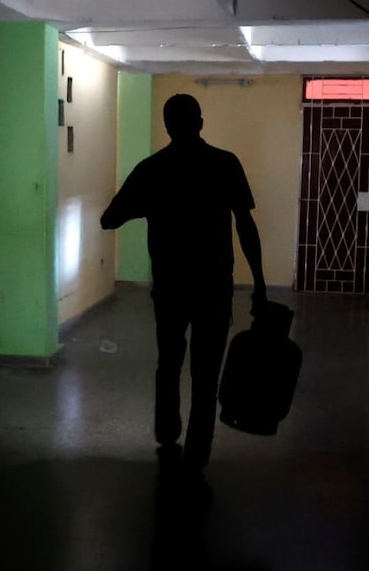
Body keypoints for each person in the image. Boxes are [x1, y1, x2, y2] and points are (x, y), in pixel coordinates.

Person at [101, 93, 266, 488]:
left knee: (169, 361)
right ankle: (196, 454)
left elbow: (110, 219)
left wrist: (147, 205)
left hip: (171, 288)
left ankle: (167, 428)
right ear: (201, 122)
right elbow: (245, 225)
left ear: (167, 125)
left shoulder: (152, 170)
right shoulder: (225, 164)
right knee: (206, 374)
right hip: (214, 288)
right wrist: (259, 283)